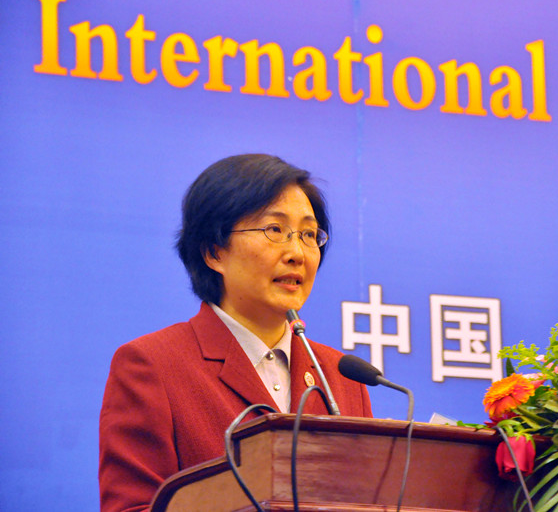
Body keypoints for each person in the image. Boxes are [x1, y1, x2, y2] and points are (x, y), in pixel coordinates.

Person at [98, 154, 372, 512]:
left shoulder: (342, 376)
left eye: (308, 234)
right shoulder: (152, 366)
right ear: (214, 252)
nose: (297, 253)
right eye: (274, 230)